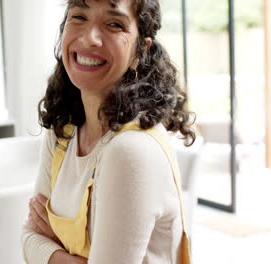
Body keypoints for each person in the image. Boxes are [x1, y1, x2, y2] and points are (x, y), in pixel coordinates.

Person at [21, 0, 196, 263]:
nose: (89, 38)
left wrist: (53, 245)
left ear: (140, 51)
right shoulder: (62, 131)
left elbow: (36, 247)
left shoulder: (130, 150)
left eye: (114, 24)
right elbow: (28, 236)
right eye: (79, 16)